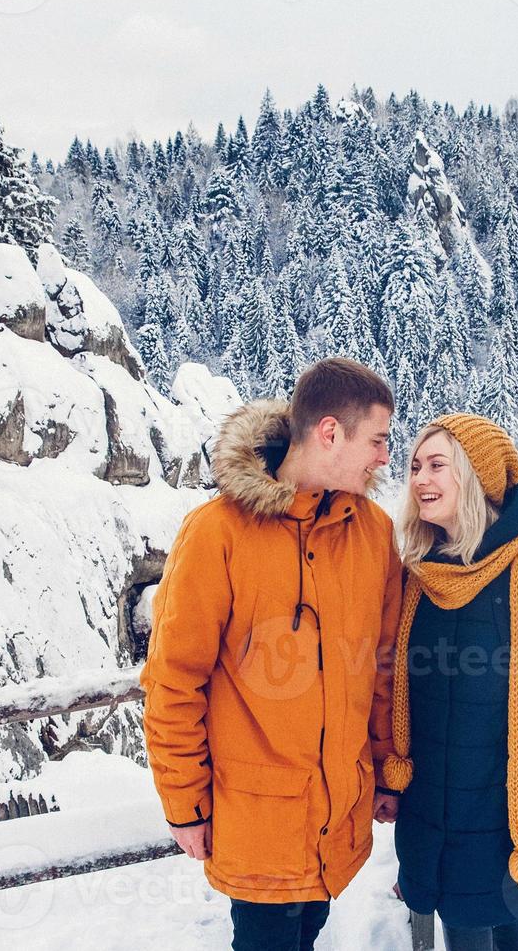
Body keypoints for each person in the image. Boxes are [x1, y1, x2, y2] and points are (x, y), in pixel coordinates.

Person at [140, 358, 404, 951]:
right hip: (256, 820)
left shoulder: (373, 533)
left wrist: (388, 770)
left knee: (308, 934)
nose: (386, 458)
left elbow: (383, 668)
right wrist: (185, 804)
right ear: (330, 433)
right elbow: (174, 681)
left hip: (339, 810)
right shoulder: (217, 534)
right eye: (379, 440)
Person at [378, 414, 518, 951]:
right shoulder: (416, 579)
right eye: (414, 467)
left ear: (477, 476)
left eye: (438, 465)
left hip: (508, 830)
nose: (420, 479)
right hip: (430, 823)